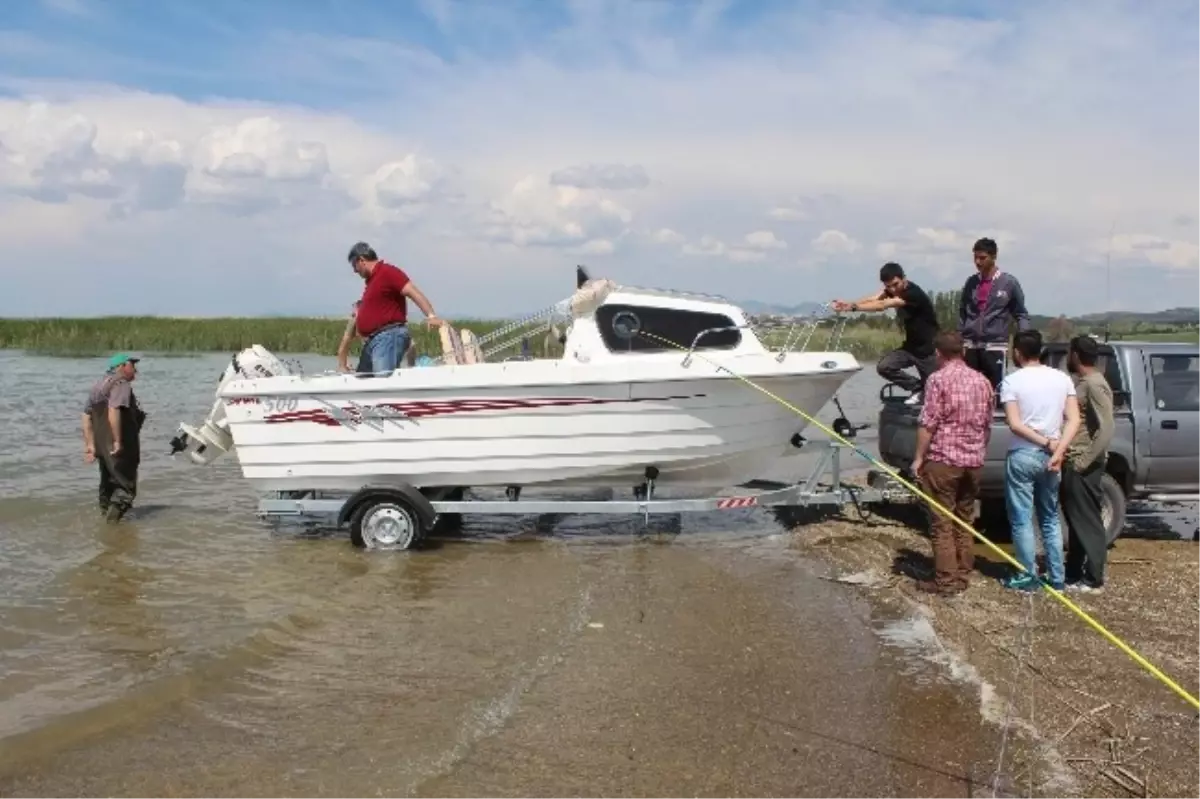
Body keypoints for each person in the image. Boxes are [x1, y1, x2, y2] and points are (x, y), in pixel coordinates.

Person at [910, 331, 995, 596]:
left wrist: (918, 458)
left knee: (942, 523)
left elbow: (928, 423)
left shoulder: (937, 380)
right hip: (973, 461)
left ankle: (946, 581)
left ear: (939, 354)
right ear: (964, 352)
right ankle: (962, 574)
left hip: (944, 461)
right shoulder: (983, 381)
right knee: (964, 519)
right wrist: (978, 451)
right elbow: (987, 425)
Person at [998, 330, 1081, 592]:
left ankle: (1028, 575)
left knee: (1022, 518)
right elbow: (1075, 419)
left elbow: (1014, 424)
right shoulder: (1062, 378)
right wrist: (1057, 451)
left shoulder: (1012, 381)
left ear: (1018, 352)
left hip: (1024, 454)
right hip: (1052, 457)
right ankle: (1057, 578)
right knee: (1050, 518)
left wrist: (1045, 443)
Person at [831, 262, 939, 405]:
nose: (893, 289)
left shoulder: (913, 294)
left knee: (935, 393)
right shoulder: (894, 290)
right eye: (888, 286)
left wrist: (853, 308)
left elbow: (882, 305)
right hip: (910, 347)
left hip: (928, 350)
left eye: (896, 284)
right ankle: (917, 388)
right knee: (885, 367)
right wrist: (849, 304)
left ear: (904, 279)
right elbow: (875, 299)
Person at [1062, 335, 1116, 593]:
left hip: (1084, 463)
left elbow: (1106, 429)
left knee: (1088, 521)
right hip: (1075, 460)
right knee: (1076, 520)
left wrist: (1084, 461)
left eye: (1069, 353)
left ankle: (1094, 578)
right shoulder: (1084, 383)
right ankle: (1073, 574)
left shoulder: (1095, 385)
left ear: (1075, 354)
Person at [347, 241, 442, 373]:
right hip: (373, 341)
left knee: (382, 382)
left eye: (354, 265)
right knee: (362, 380)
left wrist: (431, 316)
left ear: (361, 260)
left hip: (388, 336)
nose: (354, 271)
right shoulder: (372, 281)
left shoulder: (387, 272)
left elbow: (412, 292)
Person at [958, 238, 1032, 391]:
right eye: (975, 257)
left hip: (995, 346)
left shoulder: (1008, 283)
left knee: (993, 390)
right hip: (971, 346)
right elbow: (963, 313)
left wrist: (1024, 342)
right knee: (969, 390)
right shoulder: (971, 282)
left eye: (982, 258)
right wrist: (960, 340)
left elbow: (1021, 314)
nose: (978, 262)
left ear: (993, 257)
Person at [81, 353, 146, 523]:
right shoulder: (120, 383)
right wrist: (117, 441)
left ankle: (106, 527)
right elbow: (114, 410)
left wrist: (90, 445)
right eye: (132, 365)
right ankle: (112, 529)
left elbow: (86, 416)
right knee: (126, 488)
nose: (136, 370)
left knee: (107, 486)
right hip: (119, 446)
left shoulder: (98, 385)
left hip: (102, 446)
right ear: (121, 366)